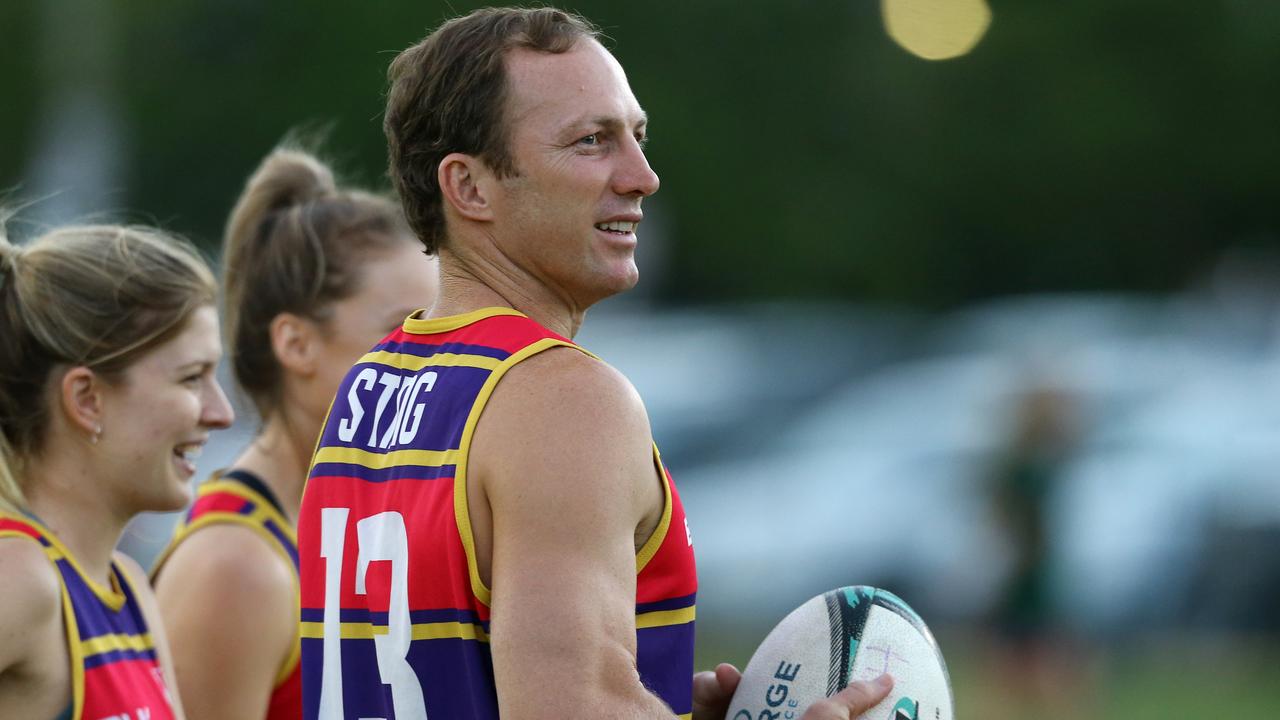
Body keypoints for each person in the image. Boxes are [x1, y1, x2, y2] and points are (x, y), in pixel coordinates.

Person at [296, 7, 894, 719]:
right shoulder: (562, 398)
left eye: (636, 138)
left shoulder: (367, 387)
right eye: (591, 142)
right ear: (470, 187)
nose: (643, 177)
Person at [150, 147, 439, 720]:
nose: (433, 360)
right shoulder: (236, 567)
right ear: (296, 343)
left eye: (441, 328)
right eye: (403, 329)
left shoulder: (371, 529)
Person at [0, 222, 234, 720]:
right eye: (192, 378)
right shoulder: (20, 578)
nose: (222, 412)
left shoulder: (127, 586)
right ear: (87, 400)